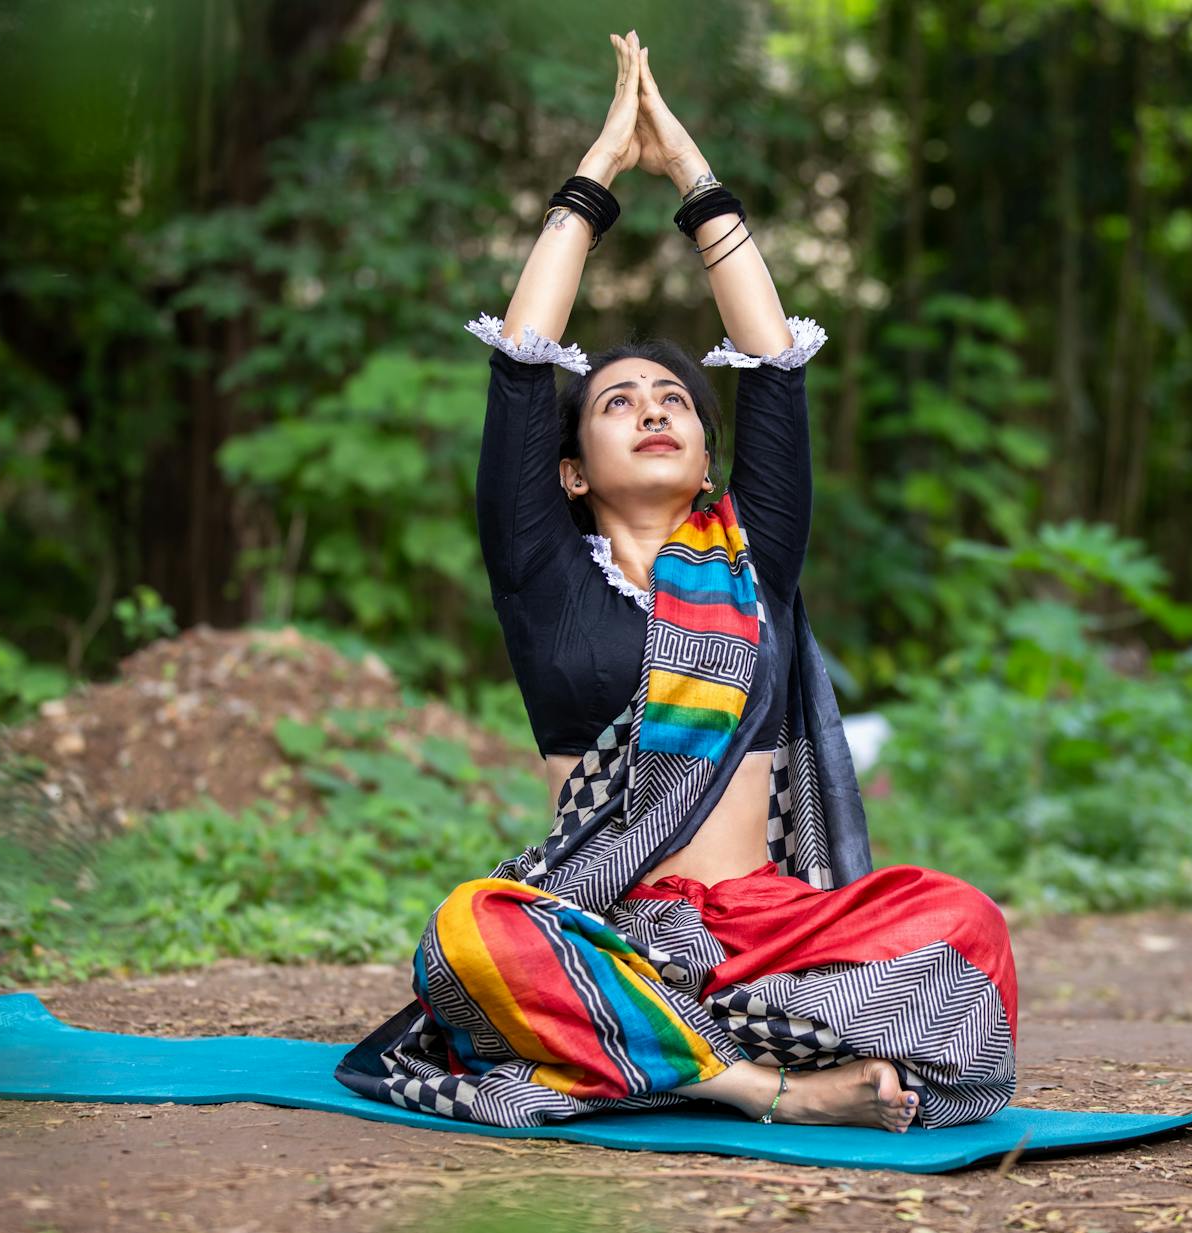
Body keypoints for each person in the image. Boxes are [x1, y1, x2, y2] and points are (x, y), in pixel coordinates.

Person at [337, 30, 1017, 1134]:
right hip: (604, 926)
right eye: (616, 400)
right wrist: (594, 177)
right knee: (472, 929)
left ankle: (663, 1047)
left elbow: (777, 370)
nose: (653, 407)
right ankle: (758, 1082)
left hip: (760, 933)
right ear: (568, 470)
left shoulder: (753, 560)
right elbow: (521, 363)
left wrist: (698, 185)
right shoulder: (542, 572)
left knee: (961, 918)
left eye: (674, 400)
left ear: (707, 451)